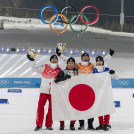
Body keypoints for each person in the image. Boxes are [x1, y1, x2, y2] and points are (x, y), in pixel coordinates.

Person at [27, 48, 61, 131]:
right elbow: (34, 69)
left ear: (57, 61)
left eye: (55, 59)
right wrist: (32, 60)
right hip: (43, 91)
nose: (54, 60)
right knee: (40, 107)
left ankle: (49, 124)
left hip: (53, 92)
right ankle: (38, 125)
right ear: (50, 60)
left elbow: (61, 81)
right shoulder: (45, 67)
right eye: (52, 59)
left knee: (51, 109)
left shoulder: (59, 70)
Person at [94, 56, 119, 131]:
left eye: (100, 61)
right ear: (96, 62)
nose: (99, 62)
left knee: (106, 108)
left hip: (106, 92)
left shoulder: (107, 70)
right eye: (97, 61)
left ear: (103, 62)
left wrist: (114, 72)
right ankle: (101, 123)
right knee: (99, 108)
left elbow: (117, 77)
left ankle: (107, 123)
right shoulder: (93, 70)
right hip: (97, 92)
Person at [55, 57, 77, 131]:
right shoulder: (62, 71)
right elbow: (56, 81)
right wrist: (64, 78)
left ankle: (72, 124)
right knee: (62, 109)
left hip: (74, 93)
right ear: (67, 64)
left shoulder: (77, 72)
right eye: (69, 63)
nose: (71, 64)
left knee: (74, 109)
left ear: (74, 64)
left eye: (72, 63)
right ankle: (62, 124)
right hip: (63, 93)